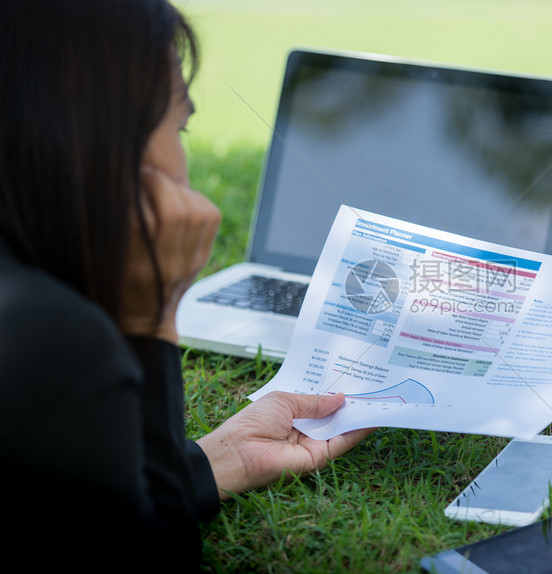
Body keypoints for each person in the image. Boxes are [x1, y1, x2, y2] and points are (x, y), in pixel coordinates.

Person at [0, 0, 371, 569]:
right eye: (178, 126)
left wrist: (216, 460)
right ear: (95, 136)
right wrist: (152, 317)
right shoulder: (52, 337)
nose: (183, 162)